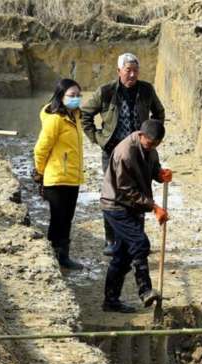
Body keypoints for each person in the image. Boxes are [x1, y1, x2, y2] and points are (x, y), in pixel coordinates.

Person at [81, 53, 165, 254]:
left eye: (136, 70)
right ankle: (112, 240)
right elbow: (85, 114)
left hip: (139, 150)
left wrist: (152, 134)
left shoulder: (146, 90)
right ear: (119, 71)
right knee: (114, 194)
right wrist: (98, 138)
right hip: (112, 152)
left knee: (140, 190)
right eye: (128, 70)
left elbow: (159, 112)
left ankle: (135, 236)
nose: (133, 74)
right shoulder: (106, 91)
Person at [100, 119, 172, 313]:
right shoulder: (125, 153)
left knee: (122, 256)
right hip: (117, 205)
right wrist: (154, 207)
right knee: (140, 244)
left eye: (156, 145)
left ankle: (111, 301)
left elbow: (152, 168)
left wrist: (160, 174)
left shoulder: (150, 147)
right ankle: (145, 291)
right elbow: (125, 189)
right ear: (141, 135)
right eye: (149, 143)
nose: (152, 147)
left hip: (133, 206)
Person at [34, 78, 85, 270]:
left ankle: (62, 255)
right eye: (72, 96)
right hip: (56, 178)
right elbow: (41, 149)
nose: (76, 99)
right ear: (61, 97)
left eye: (78, 95)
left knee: (67, 218)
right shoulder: (55, 120)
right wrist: (39, 173)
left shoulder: (75, 116)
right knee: (58, 219)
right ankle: (56, 256)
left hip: (72, 177)